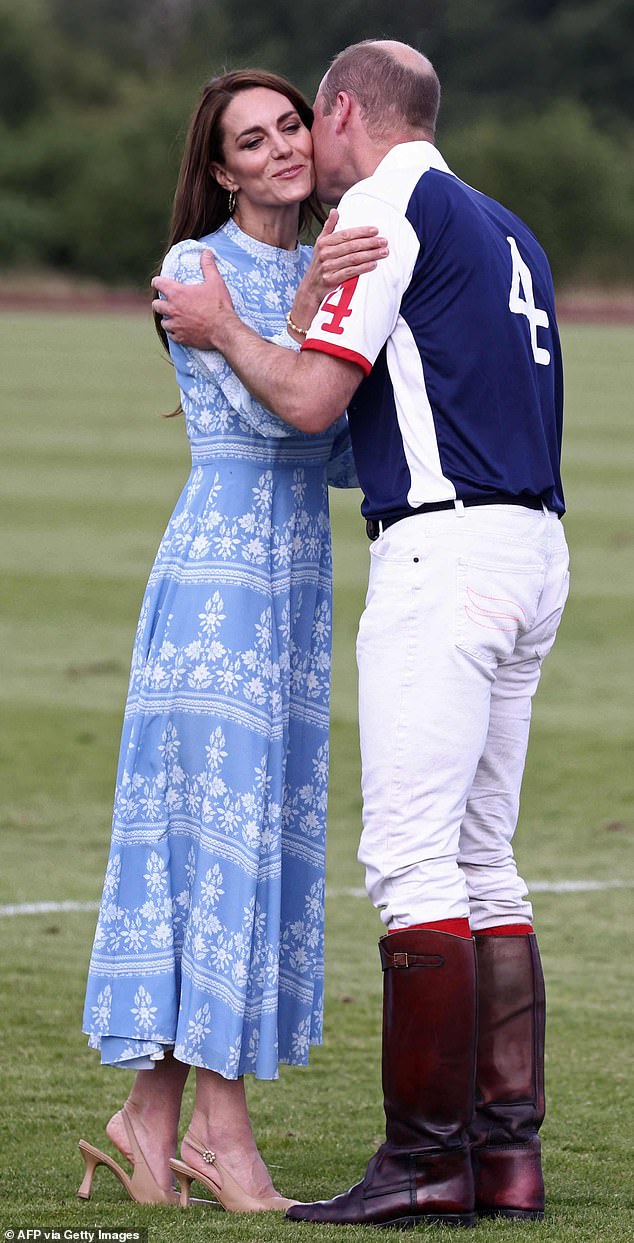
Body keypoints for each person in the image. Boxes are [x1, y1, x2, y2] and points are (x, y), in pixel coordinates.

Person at [152, 39, 570, 1228]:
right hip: (533, 545)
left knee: (413, 865)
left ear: (340, 112)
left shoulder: (383, 211)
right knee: (487, 861)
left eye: (304, 125)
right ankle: (506, 1162)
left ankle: (426, 1163)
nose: (300, 153)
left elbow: (309, 399)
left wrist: (229, 326)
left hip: (444, 558)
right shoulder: (504, 223)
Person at [79, 67, 388, 1214]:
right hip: (218, 579)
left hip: (294, 576)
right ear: (219, 169)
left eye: (291, 126)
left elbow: (340, 438)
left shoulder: (334, 251)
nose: (281, 150)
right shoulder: (193, 268)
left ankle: (146, 1124)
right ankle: (221, 1134)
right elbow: (274, 406)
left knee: (245, 841)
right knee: (213, 845)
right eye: (251, 142)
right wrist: (308, 302)